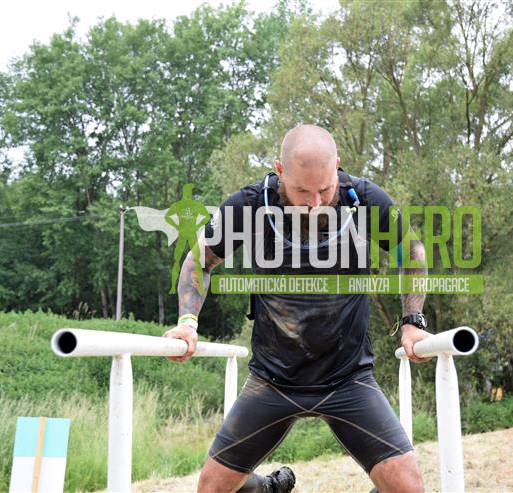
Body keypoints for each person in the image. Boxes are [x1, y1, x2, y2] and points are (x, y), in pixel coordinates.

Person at [163, 124, 432, 493]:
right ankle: (267, 489)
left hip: (348, 377)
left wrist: (412, 322)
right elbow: (200, 261)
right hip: (273, 380)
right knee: (211, 490)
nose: (315, 202)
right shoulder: (251, 204)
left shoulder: (364, 200)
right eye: (303, 191)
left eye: (325, 189)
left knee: (409, 488)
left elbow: (412, 252)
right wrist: (187, 322)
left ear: (337, 166)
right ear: (280, 171)